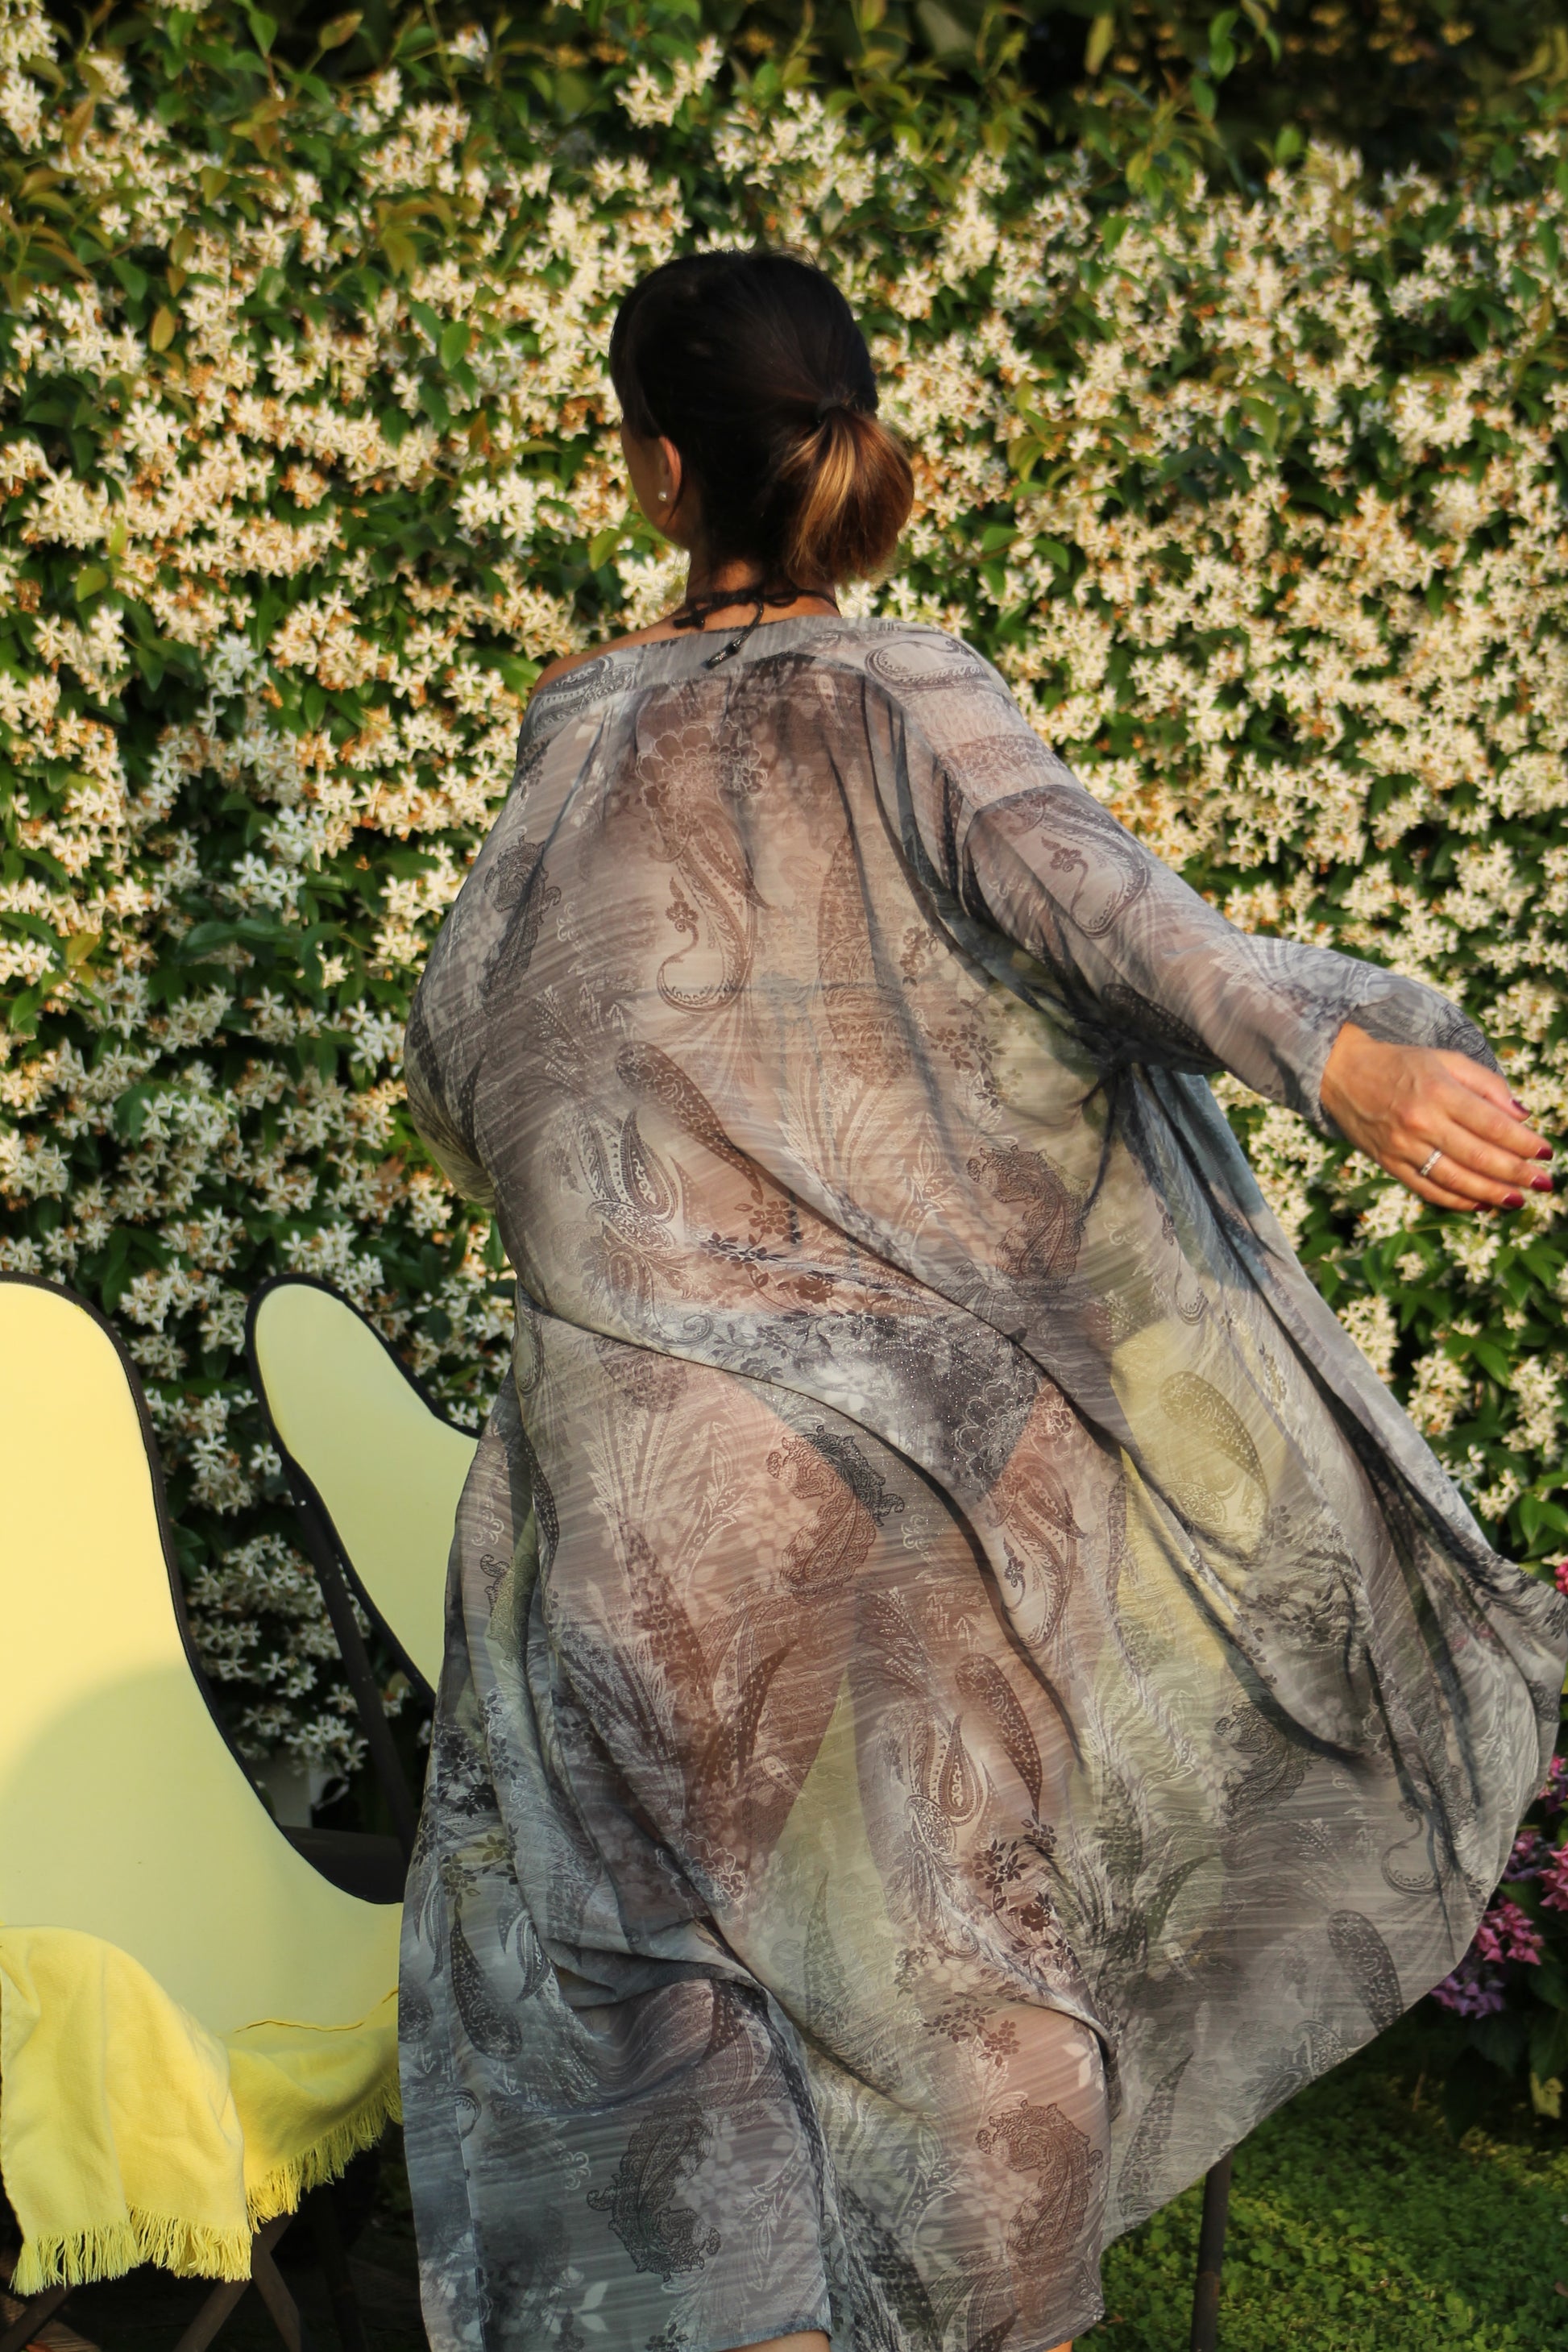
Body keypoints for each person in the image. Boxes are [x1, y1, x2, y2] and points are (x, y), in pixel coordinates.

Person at [396, 249, 1568, 2352]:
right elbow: (1104, 911)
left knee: (669, 2040)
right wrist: (1339, 1057)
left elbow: (473, 1058)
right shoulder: (905, 697)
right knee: (970, 1983)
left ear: (655, 470)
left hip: (640, 1506)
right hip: (915, 1501)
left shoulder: (570, 742)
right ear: (845, 447)